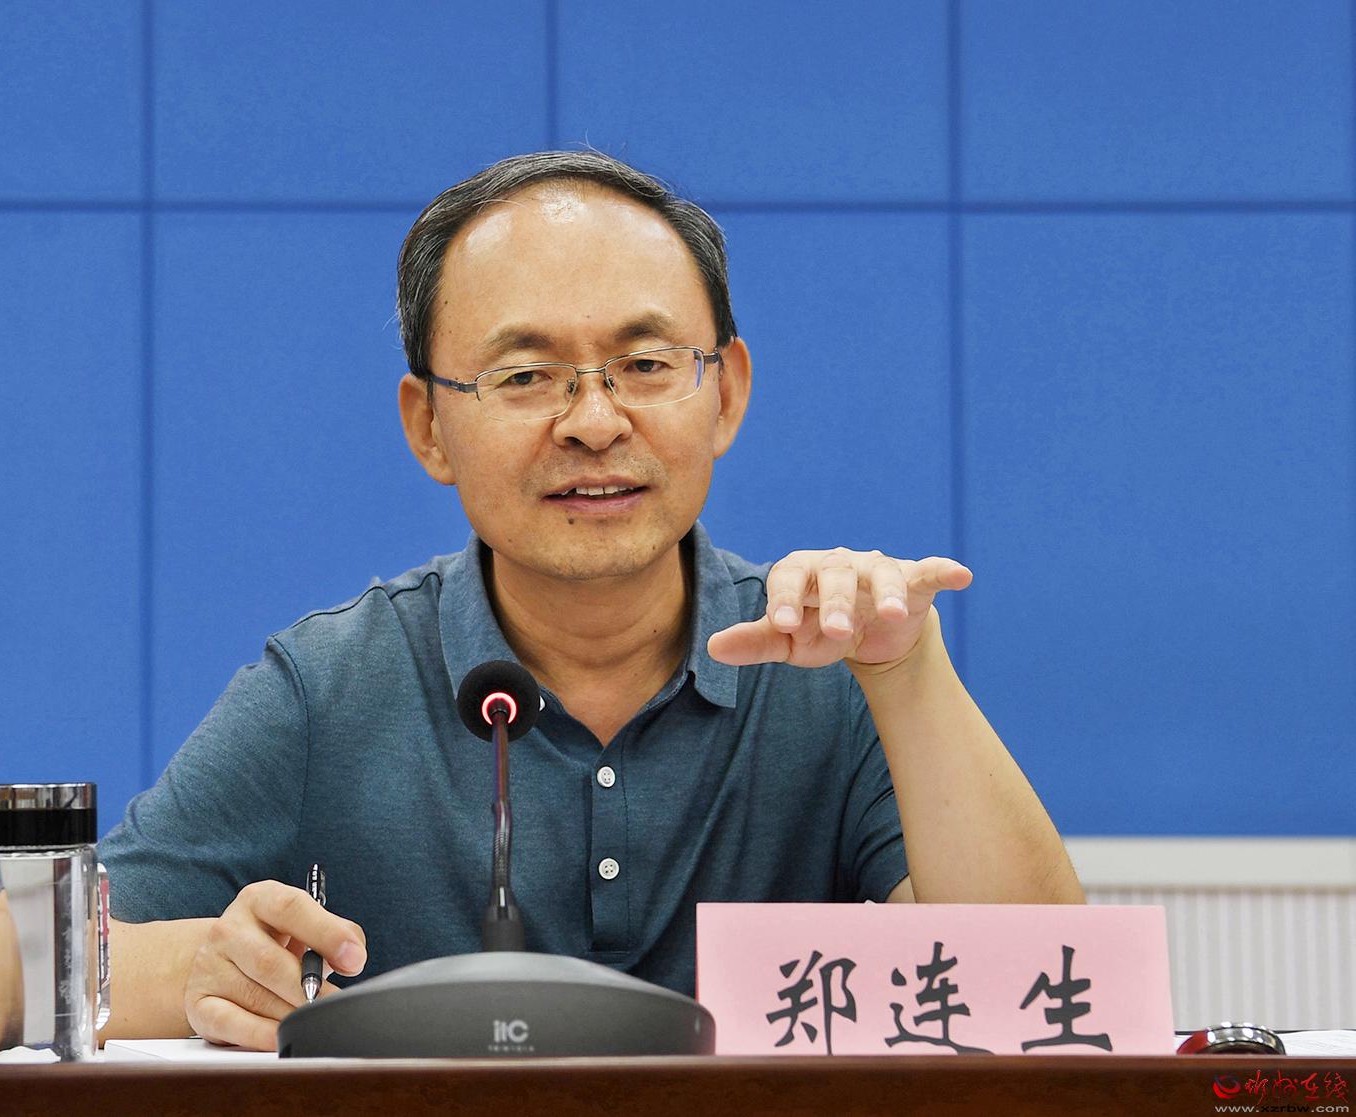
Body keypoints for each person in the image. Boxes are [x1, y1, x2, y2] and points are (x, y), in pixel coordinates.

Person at [97, 150, 1084, 1051]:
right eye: (526, 375)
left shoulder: (826, 663)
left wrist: (905, 670)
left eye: (645, 366)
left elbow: (1040, 995)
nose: (595, 422)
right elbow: (39, 970)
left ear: (726, 392)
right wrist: (198, 969)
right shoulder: (330, 687)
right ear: (428, 425)